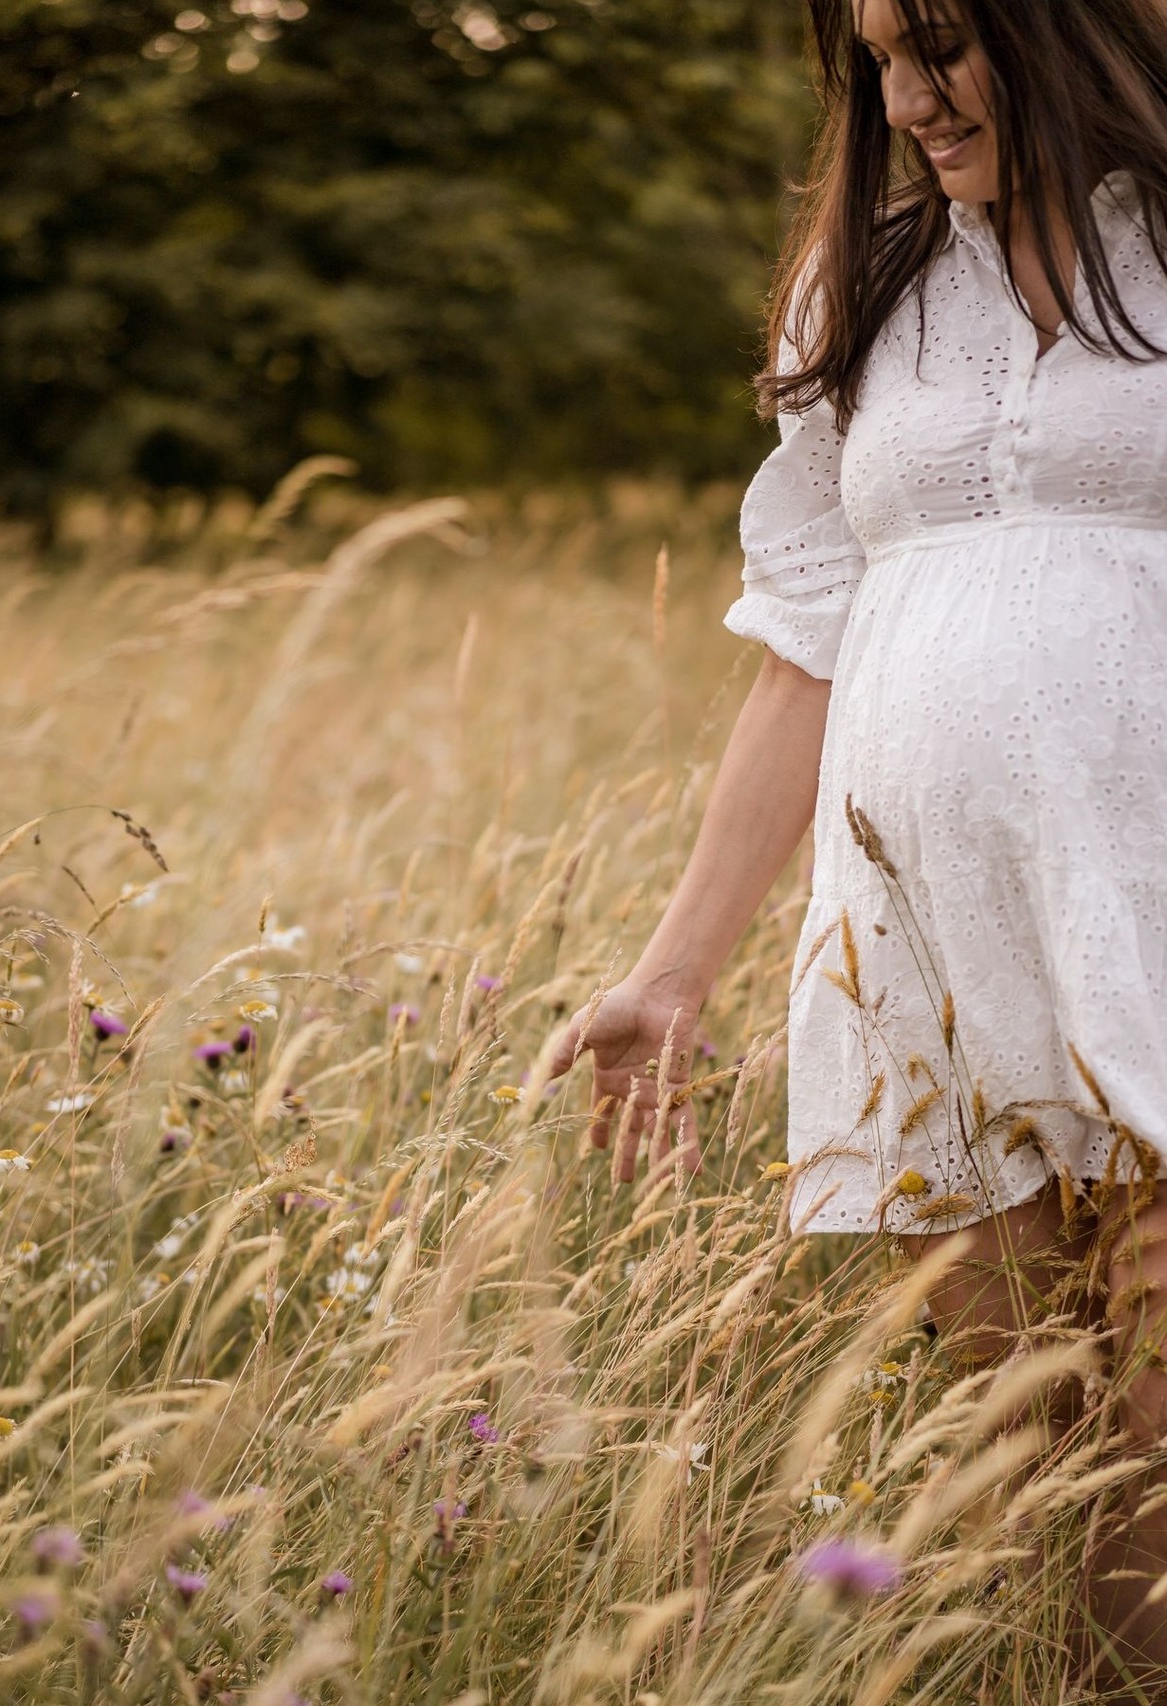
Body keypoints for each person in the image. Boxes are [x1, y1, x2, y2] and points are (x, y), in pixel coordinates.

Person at [550, 0, 1167, 1691]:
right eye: (876, 60)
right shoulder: (869, 286)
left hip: (1152, 952)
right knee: (1046, 1487)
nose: (907, 100)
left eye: (946, 46)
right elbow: (802, 638)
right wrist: (671, 971)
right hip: (929, 989)